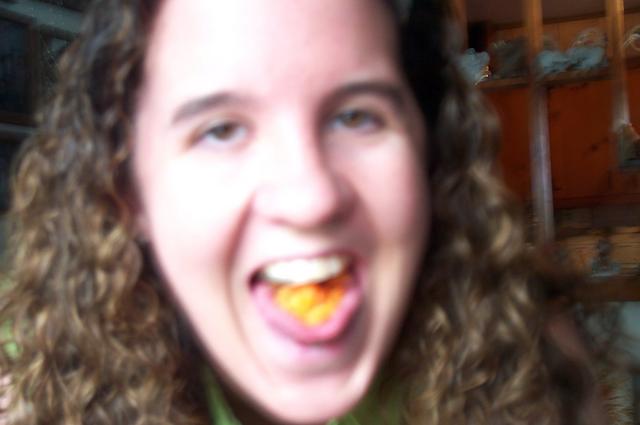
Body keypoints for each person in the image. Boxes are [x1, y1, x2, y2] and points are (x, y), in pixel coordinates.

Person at [0, 0, 609, 424]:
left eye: (357, 116)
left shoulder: (533, 365)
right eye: (220, 130)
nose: (310, 197)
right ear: (126, 192)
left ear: (430, 158)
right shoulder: (35, 390)